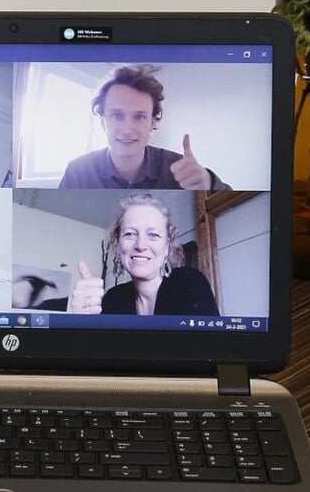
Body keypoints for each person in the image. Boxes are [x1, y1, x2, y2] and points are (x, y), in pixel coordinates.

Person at [57, 65, 228, 191]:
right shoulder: (77, 172)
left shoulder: (179, 169)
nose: (127, 129)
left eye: (139, 116)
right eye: (117, 115)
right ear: (103, 120)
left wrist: (209, 184)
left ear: (153, 122)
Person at [68, 193, 219, 317]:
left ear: (166, 246)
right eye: (129, 234)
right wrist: (84, 323)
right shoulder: (113, 299)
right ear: (118, 243)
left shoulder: (190, 282)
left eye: (153, 234)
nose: (140, 245)